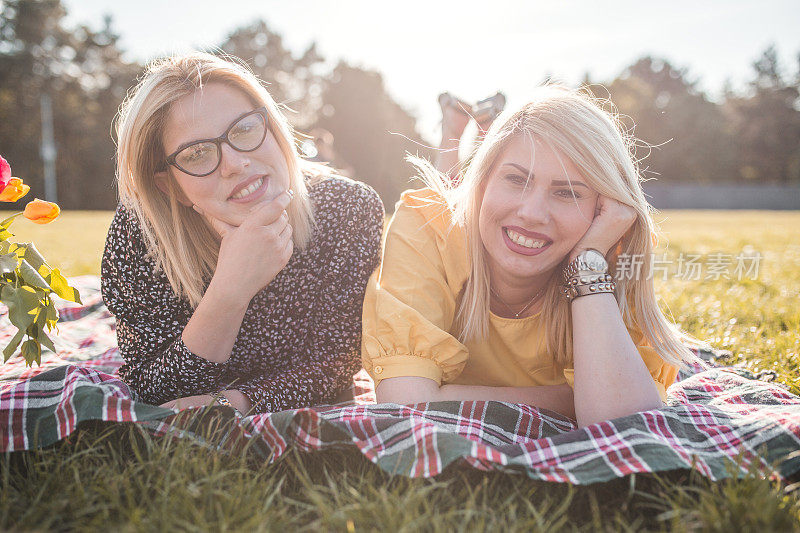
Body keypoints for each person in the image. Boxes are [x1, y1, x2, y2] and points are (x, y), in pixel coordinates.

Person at [362, 85, 704, 428]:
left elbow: (625, 421)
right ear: (481, 181)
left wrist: (586, 265)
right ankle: (454, 129)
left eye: (567, 192)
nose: (532, 213)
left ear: (603, 207)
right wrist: (574, 397)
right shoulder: (427, 227)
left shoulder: (613, 252)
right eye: (515, 179)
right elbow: (404, 401)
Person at [102, 52, 384, 415]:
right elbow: (155, 390)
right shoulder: (143, 232)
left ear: (273, 127)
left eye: (245, 129)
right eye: (197, 153)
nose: (236, 163)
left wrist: (238, 402)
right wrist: (230, 289)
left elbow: (336, 363)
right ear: (168, 186)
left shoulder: (349, 209)